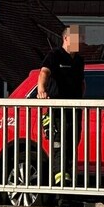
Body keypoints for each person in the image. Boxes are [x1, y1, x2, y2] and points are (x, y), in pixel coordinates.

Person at [37, 25, 85, 188]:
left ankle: (69, 183)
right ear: (66, 38)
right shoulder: (55, 55)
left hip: (75, 110)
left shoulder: (79, 60)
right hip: (58, 111)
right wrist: (41, 91)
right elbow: (44, 72)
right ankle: (59, 184)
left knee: (72, 145)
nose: (80, 41)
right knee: (59, 145)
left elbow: (82, 82)